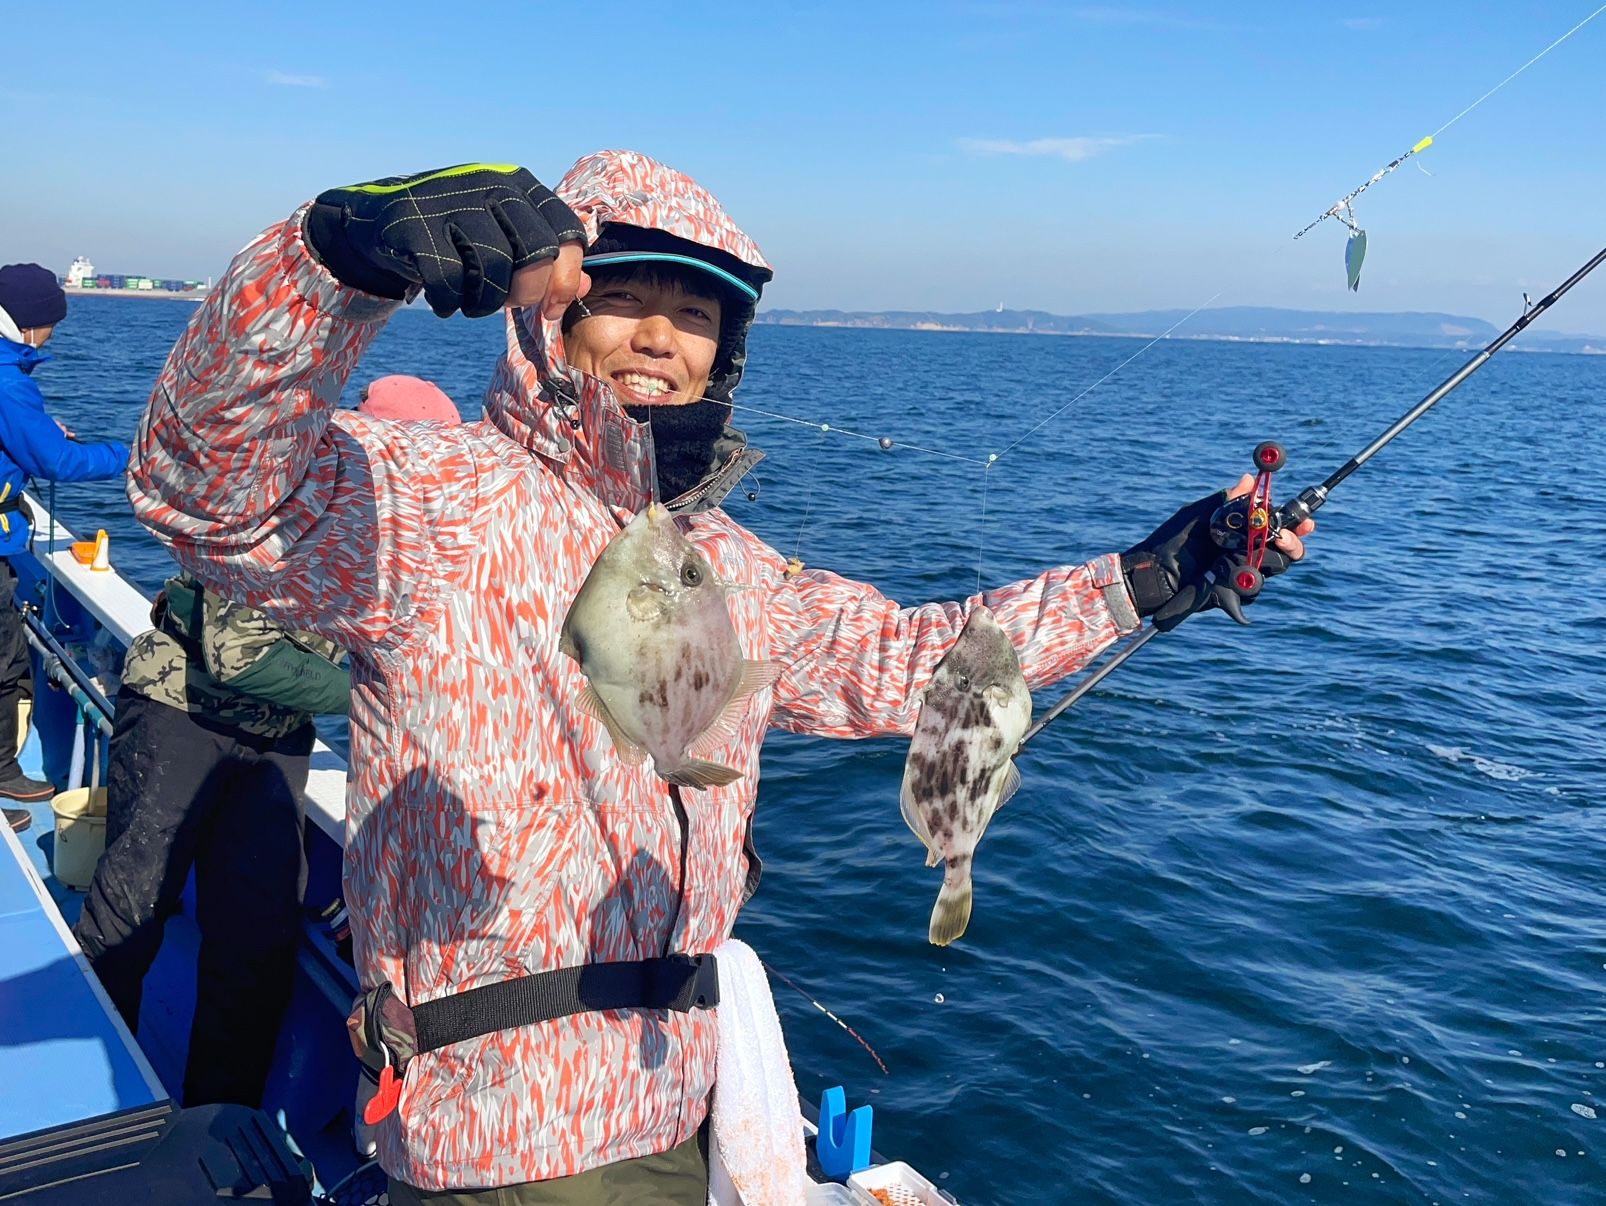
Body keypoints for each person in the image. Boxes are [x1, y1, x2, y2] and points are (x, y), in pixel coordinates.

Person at [125, 155, 1313, 1201]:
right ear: (548, 318)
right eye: (622, 297)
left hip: (672, 1096)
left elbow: (906, 662)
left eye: (695, 313)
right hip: (508, 1130)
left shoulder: (725, 563)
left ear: (725, 353)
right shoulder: (436, 501)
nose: (660, 335)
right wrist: (328, 264)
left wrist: (1137, 582)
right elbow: (205, 485)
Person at [71, 571, 352, 1107]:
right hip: (180, 706)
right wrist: (378, 691)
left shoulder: (395, 535)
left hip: (279, 733)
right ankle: (90, 1113)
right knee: (127, 916)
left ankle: (217, 1127)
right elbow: (239, 654)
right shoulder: (277, 514)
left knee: (257, 940)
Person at [0, 263, 129, 830]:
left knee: (6, 656)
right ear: (26, 323)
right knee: (1, 661)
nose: (51, 336)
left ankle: (2, 766)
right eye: (51, 325)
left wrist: (34, 431)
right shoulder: (7, 381)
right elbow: (57, 462)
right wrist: (129, 455)